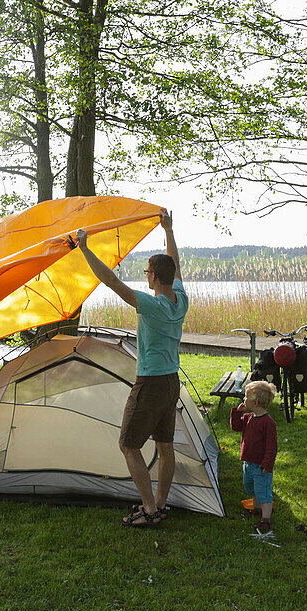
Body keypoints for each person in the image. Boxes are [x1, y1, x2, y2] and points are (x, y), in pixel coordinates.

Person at [74, 209, 187, 528]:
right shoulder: (180, 297)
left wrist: (84, 248)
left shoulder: (152, 304)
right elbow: (174, 260)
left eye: (148, 270)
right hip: (170, 381)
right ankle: (161, 504)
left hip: (151, 383)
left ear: (153, 276)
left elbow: (110, 281)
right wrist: (169, 230)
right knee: (165, 447)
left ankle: (150, 509)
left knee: (128, 444)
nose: (145, 274)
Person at [231, 380, 279, 534]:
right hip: (248, 463)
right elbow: (235, 427)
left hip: (260, 466)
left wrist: (267, 464)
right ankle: (257, 509)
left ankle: (265, 520)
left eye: (246, 397)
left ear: (255, 401)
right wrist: (237, 412)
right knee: (251, 488)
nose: (243, 400)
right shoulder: (249, 417)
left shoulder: (268, 422)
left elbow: (272, 446)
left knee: (263, 492)